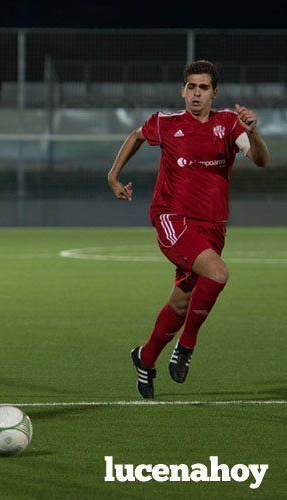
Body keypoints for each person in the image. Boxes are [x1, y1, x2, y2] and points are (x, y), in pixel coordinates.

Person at [107, 61, 269, 399]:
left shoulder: (228, 124)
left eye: (203, 88)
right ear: (183, 90)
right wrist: (113, 176)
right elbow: (137, 136)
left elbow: (259, 159)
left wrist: (254, 132)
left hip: (212, 228)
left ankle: (145, 357)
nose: (196, 93)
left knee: (181, 305)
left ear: (214, 93)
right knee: (218, 273)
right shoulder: (166, 123)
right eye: (191, 87)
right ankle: (187, 346)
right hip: (172, 219)